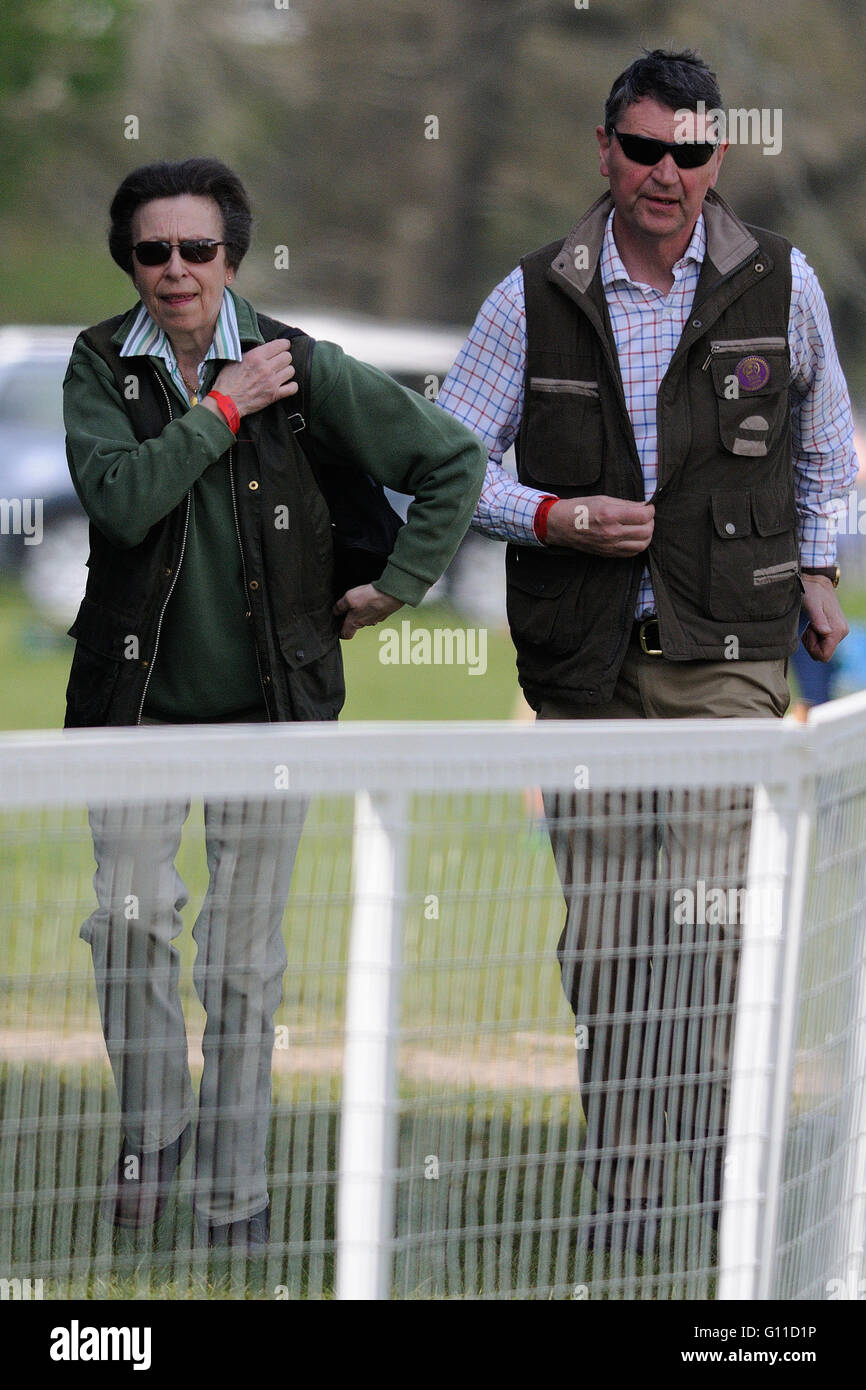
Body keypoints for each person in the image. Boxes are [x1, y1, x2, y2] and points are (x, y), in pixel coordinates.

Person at [437, 49, 857, 1252]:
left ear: (716, 157)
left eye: (688, 152)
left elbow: (826, 450)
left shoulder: (783, 284)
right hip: (580, 669)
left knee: (713, 915)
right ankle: (629, 1186)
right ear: (603, 149)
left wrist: (817, 567)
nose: (664, 172)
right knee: (610, 931)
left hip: (728, 646)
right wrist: (552, 516)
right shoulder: (531, 294)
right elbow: (450, 459)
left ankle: (725, 1165)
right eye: (641, 148)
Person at [64, 157, 486, 1252]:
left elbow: (449, 458)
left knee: (245, 966)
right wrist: (219, 405)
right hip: (133, 708)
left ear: (231, 258)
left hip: (272, 711)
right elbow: (119, 504)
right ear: (133, 262)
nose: (173, 270)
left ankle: (231, 1197)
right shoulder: (98, 363)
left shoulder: (302, 365)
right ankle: (152, 1129)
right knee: (125, 917)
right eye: (152, 251)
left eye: (195, 249)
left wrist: (399, 583)